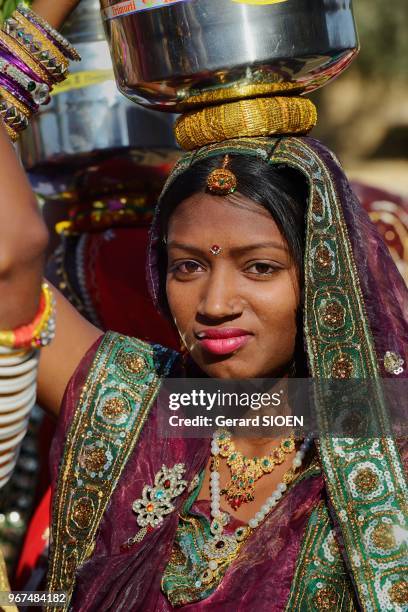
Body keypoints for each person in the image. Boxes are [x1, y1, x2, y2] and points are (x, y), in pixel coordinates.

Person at [0, 3, 407, 612]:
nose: (214, 304)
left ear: (325, 274)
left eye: (260, 267)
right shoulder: (145, 408)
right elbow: (8, 255)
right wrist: (32, 34)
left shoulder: (387, 455)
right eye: (187, 266)